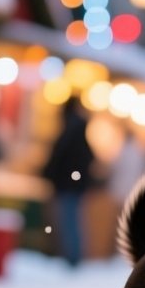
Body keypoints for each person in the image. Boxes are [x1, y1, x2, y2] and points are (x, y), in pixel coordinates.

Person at [43, 101, 95, 267]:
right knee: (72, 220)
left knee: (68, 221)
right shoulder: (79, 130)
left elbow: (60, 157)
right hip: (74, 186)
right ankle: (73, 257)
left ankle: (72, 259)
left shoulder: (71, 131)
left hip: (67, 185)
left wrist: (49, 173)